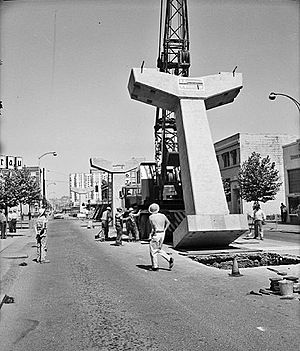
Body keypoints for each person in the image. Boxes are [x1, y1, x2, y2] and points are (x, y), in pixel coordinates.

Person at [148, 203, 174, 271]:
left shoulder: (151, 217)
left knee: (153, 250)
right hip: (162, 233)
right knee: (158, 249)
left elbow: (153, 228)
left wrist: (151, 235)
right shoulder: (163, 215)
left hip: (156, 234)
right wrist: (164, 229)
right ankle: (169, 258)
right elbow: (168, 223)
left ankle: (155, 266)